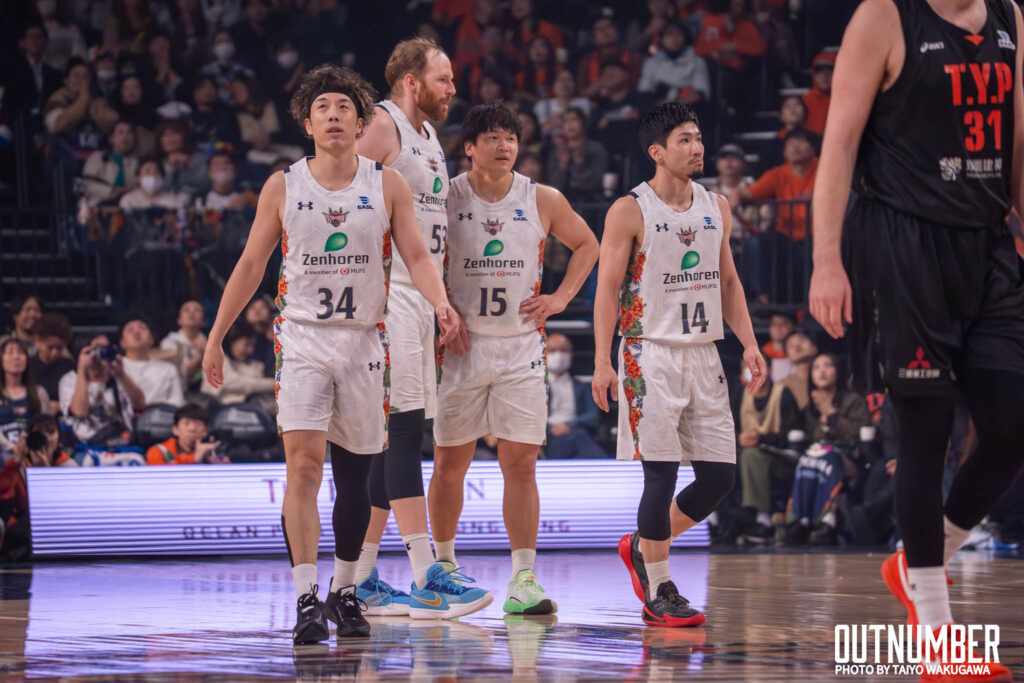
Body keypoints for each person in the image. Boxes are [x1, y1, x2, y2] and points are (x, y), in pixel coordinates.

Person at [201, 64, 469, 645]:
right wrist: (216, 334)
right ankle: (305, 597)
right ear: (307, 123)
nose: (333, 115)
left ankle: (344, 591)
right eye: (322, 107)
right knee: (303, 467)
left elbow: (418, 256)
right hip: (302, 339)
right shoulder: (283, 186)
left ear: (360, 121)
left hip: (365, 339)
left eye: (345, 107)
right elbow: (251, 265)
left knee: (356, 479)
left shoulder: (387, 184)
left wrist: (441, 303)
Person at [809, 0, 1021, 669]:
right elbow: (839, 147)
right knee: (926, 433)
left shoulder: (1012, 17)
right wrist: (825, 259)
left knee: (1012, 426)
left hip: (988, 245)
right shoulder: (883, 17)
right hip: (904, 245)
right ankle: (935, 632)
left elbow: (1017, 143)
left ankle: (920, 561)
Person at [591, 103, 765, 627]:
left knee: (719, 478)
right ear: (657, 152)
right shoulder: (630, 209)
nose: (697, 147)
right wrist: (602, 360)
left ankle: (642, 546)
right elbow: (607, 288)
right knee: (661, 474)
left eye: (698, 138)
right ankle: (660, 588)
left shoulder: (717, 205)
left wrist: (750, 343)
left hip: (704, 352)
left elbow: (727, 281)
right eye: (685, 140)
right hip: (649, 352)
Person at [431, 101, 599, 616]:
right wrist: (439, 309)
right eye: (492, 137)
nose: (504, 146)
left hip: (520, 347)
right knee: (450, 463)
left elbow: (588, 245)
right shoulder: (445, 197)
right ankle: (444, 567)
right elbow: (415, 255)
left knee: (521, 465)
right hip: (460, 347)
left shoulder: (541, 197)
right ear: (469, 147)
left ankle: (523, 578)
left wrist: (561, 298)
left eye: (510, 137)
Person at [350, 38, 493, 620]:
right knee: (404, 433)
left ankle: (360, 579)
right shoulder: (382, 126)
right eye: (443, 78)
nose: (453, 87)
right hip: (387, 297)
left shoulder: (429, 136)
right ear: (411, 81)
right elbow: (341, 191)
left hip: (419, 299)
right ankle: (425, 574)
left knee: (397, 438)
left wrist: (441, 301)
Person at [729, 127, 818, 303]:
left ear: (813, 148)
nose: (795, 147)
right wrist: (736, 195)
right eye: (790, 143)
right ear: (784, 151)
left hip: (816, 235)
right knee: (763, 242)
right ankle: (767, 301)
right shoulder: (777, 174)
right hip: (786, 236)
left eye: (801, 142)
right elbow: (749, 192)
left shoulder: (824, 170)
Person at [736, 358, 802, 543]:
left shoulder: (782, 393)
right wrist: (738, 437)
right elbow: (725, 425)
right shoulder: (740, 394)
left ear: (769, 370)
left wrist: (763, 438)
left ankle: (763, 519)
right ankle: (718, 520)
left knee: (752, 456)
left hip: (779, 456)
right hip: (745, 452)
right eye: (747, 367)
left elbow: (795, 433)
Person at [58, 335, 145, 447]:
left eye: (107, 348)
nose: (104, 352)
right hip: (86, 445)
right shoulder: (70, 379)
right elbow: (80, 412)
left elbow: (140, 404)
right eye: (99, 348)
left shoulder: (119, 377)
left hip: (120, 442)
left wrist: (121, 374)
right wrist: (82, 370)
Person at [544, 333, 604, 459]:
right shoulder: (536, 387)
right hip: (546, 436)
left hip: (575, 430)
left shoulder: (582, 387)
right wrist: (550, 428)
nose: (559, 355)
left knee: (578, 436)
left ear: (571, 354)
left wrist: (569, 425)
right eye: (552, 350)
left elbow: (593, 416)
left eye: (563, 350)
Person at [200, 320, 275, 404]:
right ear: (233, 341)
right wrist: (274, 384)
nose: (250, 350)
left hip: (247, 408)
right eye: (247, 344)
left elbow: (251, 388)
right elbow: (230, 381)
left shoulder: (256, 366)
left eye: (253, 345)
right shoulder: (216, 359)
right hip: (215, 408)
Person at [637, 21, 710, 104]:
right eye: (669, 34)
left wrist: (676, 103)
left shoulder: (697, 61)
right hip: (656, 107)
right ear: (661, 39)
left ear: (685, 37)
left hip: (686, 107)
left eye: (678, 34)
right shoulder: (651, 62)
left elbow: (700, 93)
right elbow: (644, 91)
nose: (674, 38)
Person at [119, 316, 185, 407]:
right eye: (130, 329)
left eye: (142, 328)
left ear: (151, 339)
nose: (137, 332)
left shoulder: (168, 369)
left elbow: (177, 401)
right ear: (122, 342)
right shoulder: (116, 367)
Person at [0, 339, 50, 457]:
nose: (16, 357)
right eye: (10, 352)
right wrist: (12, 447)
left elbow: (47, 427)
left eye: (21, 352)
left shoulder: (39, 393)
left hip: (32, 452)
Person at [79, 119, 139, 208]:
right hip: (96, 205)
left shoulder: (135, 162)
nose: (125, 136)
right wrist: (112, 192)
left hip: (126, 206)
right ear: (111, 138)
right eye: (120, 132)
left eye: (129, 133)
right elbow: (86, 184)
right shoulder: (97, 157)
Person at [146, 403, 227, 464]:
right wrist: (194, 458)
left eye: (198, 424)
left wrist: (220, 462)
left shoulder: (211, 452)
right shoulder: (159, 451)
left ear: (206, 431)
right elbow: (161, 477)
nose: (192, 428)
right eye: (186, 423)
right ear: (175, 430)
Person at [29, 313, 75, 414]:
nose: (54, 352)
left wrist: (61, 406)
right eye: (50, 347)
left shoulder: (70, 368)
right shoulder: (28, 367)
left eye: (59, 348)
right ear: (38, 342)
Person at [157, 300, 208, 391]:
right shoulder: (170, 342)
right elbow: (174, 373)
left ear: (203, 321)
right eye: (186, 310)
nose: (191, 313)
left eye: (197, 310)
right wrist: (198, 356)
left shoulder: (209, 343)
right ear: (179, 320)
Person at [119, 157, 190, 210]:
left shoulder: (173, 201)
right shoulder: (129, 200)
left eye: (157, 172)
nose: (153, 175)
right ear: (138, 177)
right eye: (148, 171)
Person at [801, 51, 834, 136]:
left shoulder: (845, 101)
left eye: (830, 71)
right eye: (820, 72)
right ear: (814, 75)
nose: (825, 76)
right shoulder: (804, 101)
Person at [762, 311, 795, 381]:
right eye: (774, 324)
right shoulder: (761, 353)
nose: (778, 327)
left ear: (792, 327)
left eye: (783, 324)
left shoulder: (798, 352)